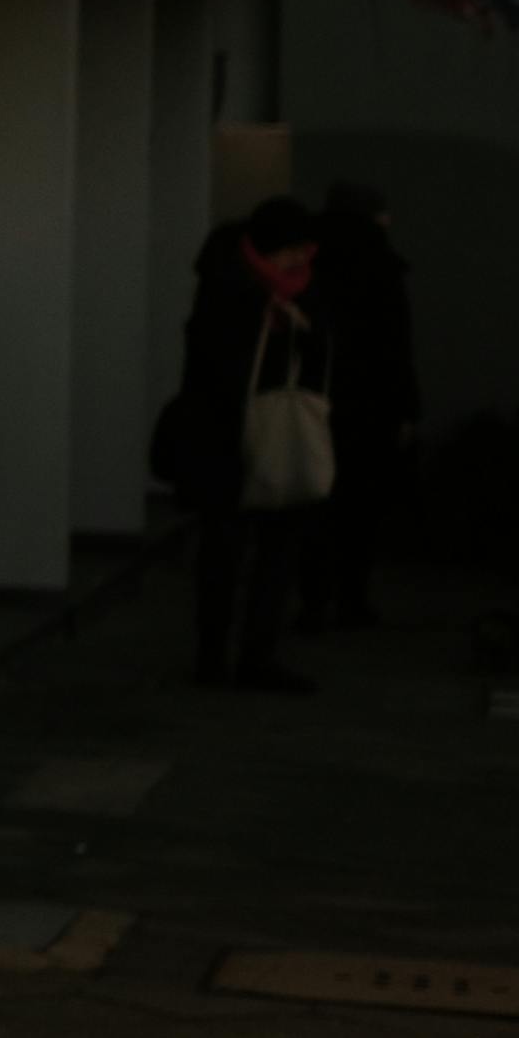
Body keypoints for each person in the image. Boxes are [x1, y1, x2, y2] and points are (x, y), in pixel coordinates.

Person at [157, 194, 330, 690]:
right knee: (225, 551)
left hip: (278, 432)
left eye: (306, 251)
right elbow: (210, 364)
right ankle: (214, 657)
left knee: (271, 551)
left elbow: (323, 344)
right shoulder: (226, 286)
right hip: (224, 438)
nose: (301, 261)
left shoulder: (300, 290)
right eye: (292, 250)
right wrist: (264, 318)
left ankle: (255, 656)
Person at [301, 181, 422, 630]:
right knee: (360, 507)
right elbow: (395, 342)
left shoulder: (310, 255)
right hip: (370, 401)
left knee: (315, 504)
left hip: (314, 394)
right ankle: (353, 599)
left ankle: (313, 600)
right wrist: (407, 407)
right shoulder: (380, 263)